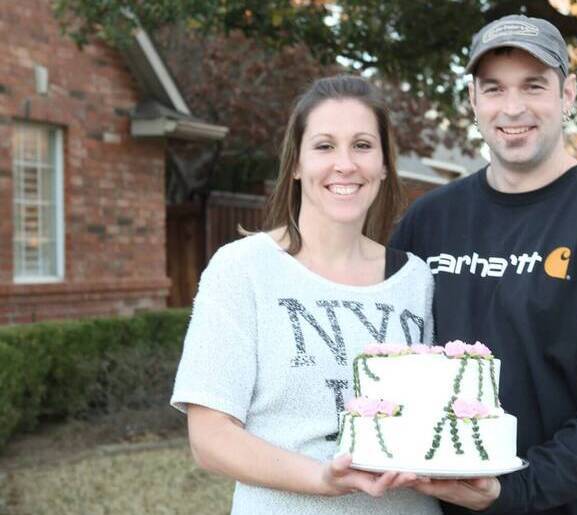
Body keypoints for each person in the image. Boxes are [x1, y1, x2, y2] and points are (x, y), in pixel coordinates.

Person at [391, 15, 577, 515]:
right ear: (473, 100)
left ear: (567, 95)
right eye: (494, 88)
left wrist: (509, 491)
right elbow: (391, 362)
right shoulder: (428, 221)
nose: (512, 108)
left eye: (533, 86)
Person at [170, 75, 441, 514]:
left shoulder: (416, 278)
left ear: (385, 164)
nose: (345, 164)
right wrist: (321, 477)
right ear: (295, 163)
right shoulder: (243, 269)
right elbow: (210, 438)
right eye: (324, 146)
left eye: (362, 145)